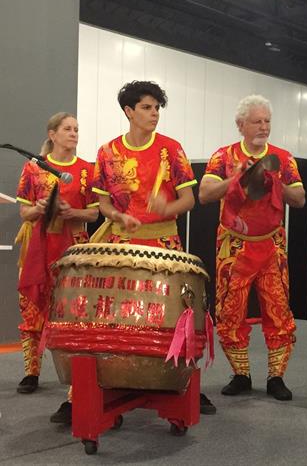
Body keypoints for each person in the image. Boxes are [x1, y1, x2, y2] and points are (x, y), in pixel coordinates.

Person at [73, 80, 216, 421]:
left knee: (170, 318)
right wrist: (118, 214)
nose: (154, 114)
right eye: (147, 108)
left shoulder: (171, 149)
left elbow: (189, 200)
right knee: (114, 318)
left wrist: (166, 206)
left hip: (163, 243)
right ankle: (111, 383)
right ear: (129, 111)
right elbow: (102, 203)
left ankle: (180, 381)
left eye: (157, 108)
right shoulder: (107, 152)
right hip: (121, 243)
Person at [199, 94, 305, 400]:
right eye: (257, 121)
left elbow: (300, 199)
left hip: (272, 245)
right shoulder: (223, 156)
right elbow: (205, 194)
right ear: (240, 125)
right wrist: (236, 179)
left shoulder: (283, 158)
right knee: (230, 312)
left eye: (267, 121)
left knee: (279, 311)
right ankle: (241, 374)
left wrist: (275, 183)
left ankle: (276, 377)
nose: (264, 127)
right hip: (233, 245)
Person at [15, 113, 98, 395]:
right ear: (53, 134)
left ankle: (75, 375)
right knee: (33, 306)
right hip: (39, 245)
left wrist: (73, 212)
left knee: (73, 309)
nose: (74, 133)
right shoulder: (33, 168)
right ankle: (31, 371)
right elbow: (24, 212)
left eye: (76, 128)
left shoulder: (86, 169)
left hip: (73, 245)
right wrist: (38, 209)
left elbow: (96, 211)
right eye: (67, 129)